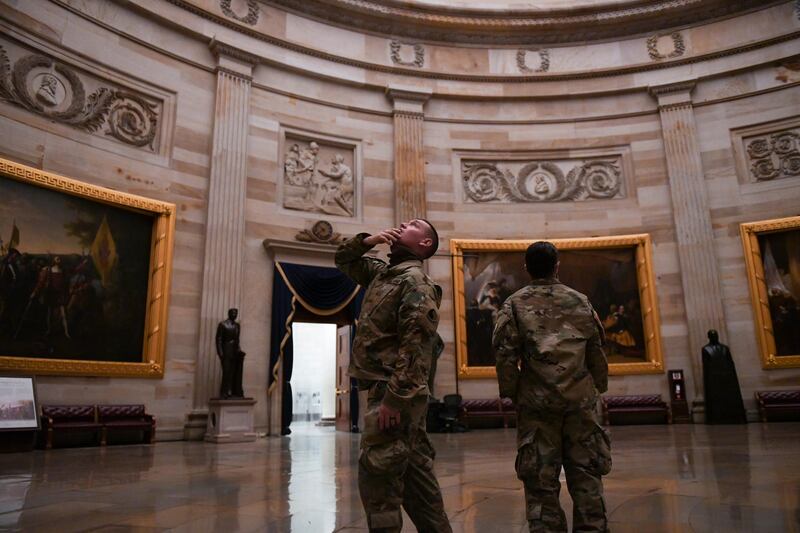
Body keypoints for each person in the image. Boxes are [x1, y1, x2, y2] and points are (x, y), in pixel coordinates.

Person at [335, 219, 452, 533]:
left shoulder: (416, 282)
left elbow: (416, 347)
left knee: (379, 485)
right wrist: (368, 240)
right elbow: (343, 259)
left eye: (413, 224)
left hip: (392, 392)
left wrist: (394, 400)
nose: (402, 224)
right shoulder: (382, 273)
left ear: (425, 243)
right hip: (388, 391)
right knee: (419, 486)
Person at [493, 241, 610, 533]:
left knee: (540, 480)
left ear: (527, 269)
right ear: (557, 265)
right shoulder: (580, 300)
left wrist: (511, 392)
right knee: (587, 475)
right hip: (580, 403)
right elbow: (596, 348)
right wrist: (598, 387)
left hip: (537, 405)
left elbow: (505, 353)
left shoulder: (515, 304)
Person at [702, 330, 746, 424]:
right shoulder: (705, 349)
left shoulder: (725, 348)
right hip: (714, 378)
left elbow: (730, 362)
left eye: (716, 335)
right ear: (709, 337)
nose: (715, 337)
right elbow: (706, 366)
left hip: (727, 377)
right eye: (712, 335)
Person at [216, 308, 245, 399]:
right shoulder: (223, 324)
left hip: (234, 352)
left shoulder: (237, 325)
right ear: (229, 314)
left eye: (236, 313)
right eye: (233, 313)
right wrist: (220, 353)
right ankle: (224, 392)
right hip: (226, 351)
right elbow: (219, 340)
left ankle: (233, 391)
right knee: (226, 372)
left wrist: (239, 350)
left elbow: (237, 340)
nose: (234, 314)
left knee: (234, 372)